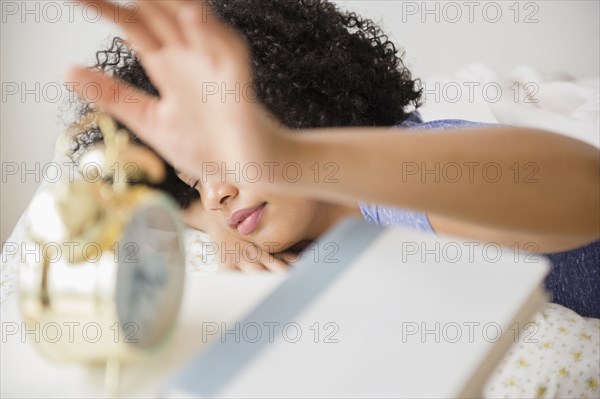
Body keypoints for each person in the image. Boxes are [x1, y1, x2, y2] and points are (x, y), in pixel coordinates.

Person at [67, 0, 599, 318]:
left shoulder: (402, 188)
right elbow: (165, 200)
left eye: (224, 162)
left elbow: (587, 191)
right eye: (196, 180)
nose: (214, 194)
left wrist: (285, 159)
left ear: (302, 110)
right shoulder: (270, 214)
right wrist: (223, 224)